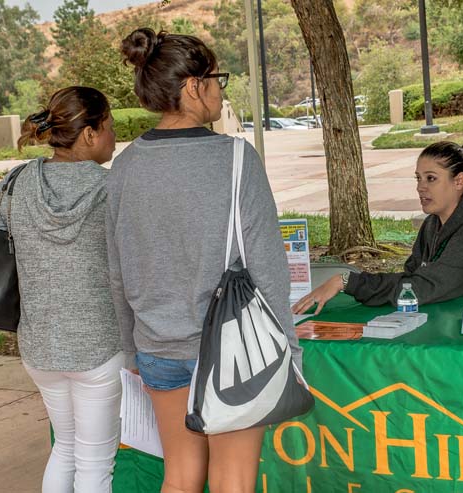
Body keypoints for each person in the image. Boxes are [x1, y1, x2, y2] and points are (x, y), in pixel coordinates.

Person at [108, 28, 302, 493]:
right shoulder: (236, 158)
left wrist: (132, 350)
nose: (221, 89)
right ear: (193, 85)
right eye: (218, 78)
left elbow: (115, 270)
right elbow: (268, 269)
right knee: (232, 481)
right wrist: (289, 351)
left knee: (180, 476)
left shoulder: (125, 164)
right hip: (233, 349)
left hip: (157, 348)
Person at [0, 86, 122, 492]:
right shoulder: (113, 187)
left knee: (65, 449)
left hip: (39, 345)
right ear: (90, 133)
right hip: (100, 345)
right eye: (108, 127)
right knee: (95, 464)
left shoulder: (17, 180)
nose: (112, 137)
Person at [293, 141, 463, 315]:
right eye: (418, 178)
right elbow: (411, 277)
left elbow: (419, 288)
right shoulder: (433, 223)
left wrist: (345, 281)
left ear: (459, 181)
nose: (421, 187)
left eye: (431, 179)